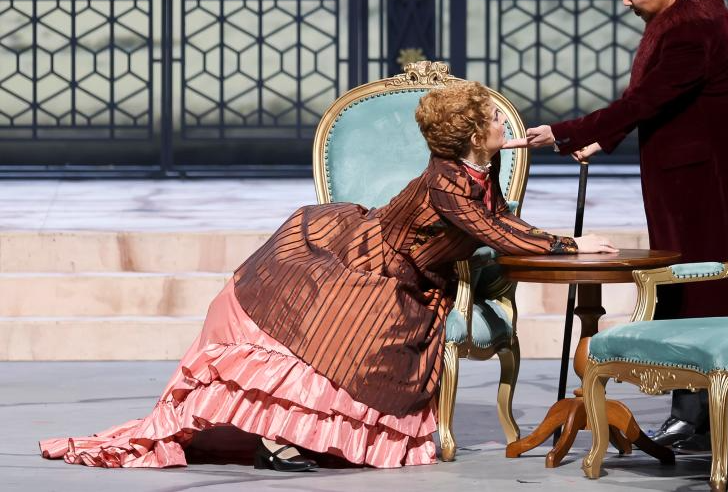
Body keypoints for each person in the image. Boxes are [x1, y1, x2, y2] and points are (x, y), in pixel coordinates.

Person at [40, 81, 617, 471]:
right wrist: (571, 243)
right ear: (471, 136)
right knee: (345, 326)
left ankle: (300, 433)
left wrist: (553, 185)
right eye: (492, 118)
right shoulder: (447, 180)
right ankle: (279, 433)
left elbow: (502, 219)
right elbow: (492, 230)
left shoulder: (479, 170)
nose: (502, 121)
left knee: (364, 329)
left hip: (401, 267)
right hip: (367, 260)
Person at [506, 0, 728, 454]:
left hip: (711, 185)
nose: (625, 2)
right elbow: (658, 98)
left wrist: (565, 131)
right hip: (686, 179)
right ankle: (692, 417)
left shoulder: (694, 28)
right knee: (683, 289)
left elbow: (646, 99)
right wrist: (603, 138)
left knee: (708, 294)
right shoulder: (682, 11)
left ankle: (714, 423)